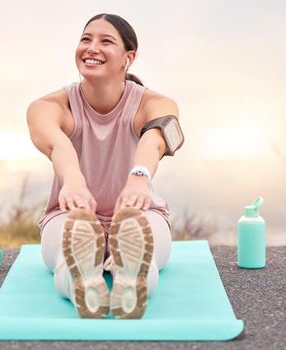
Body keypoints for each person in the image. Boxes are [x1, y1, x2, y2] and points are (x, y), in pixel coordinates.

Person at [26, 13, 184, 319]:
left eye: (105, 41)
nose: (91, 47)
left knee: (142, 259)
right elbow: (58, 144)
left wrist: (139, 177)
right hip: (72, 214)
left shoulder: (153, 103)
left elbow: (156, 137)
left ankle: (130, 278)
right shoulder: (49, 106)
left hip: (140, 213)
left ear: (128, 58)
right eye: (85, 39)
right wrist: (72, 181)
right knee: (67, 258)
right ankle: (84, 283)